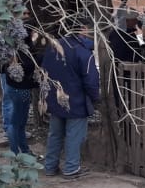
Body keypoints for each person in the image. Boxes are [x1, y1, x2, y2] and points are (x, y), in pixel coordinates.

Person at [41, 16, 101, 179]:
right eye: (87, 29)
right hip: (76, 101)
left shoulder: (53, 47)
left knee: (55, 134)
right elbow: (91, 80)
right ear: (83, 29)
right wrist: (95, 98)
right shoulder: (83, 52)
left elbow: (44, 71)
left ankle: (50, 167)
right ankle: (71, 168)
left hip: (55, 98)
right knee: (74, 135)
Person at [0, 25, 42, 157]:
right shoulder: (24, 51)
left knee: (17, 123)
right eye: (33, 32)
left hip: (12, 88)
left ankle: (23, 151)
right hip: (21, 90)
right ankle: (17, 153)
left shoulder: (11, 48)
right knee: (17, 123)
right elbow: (29, 67)